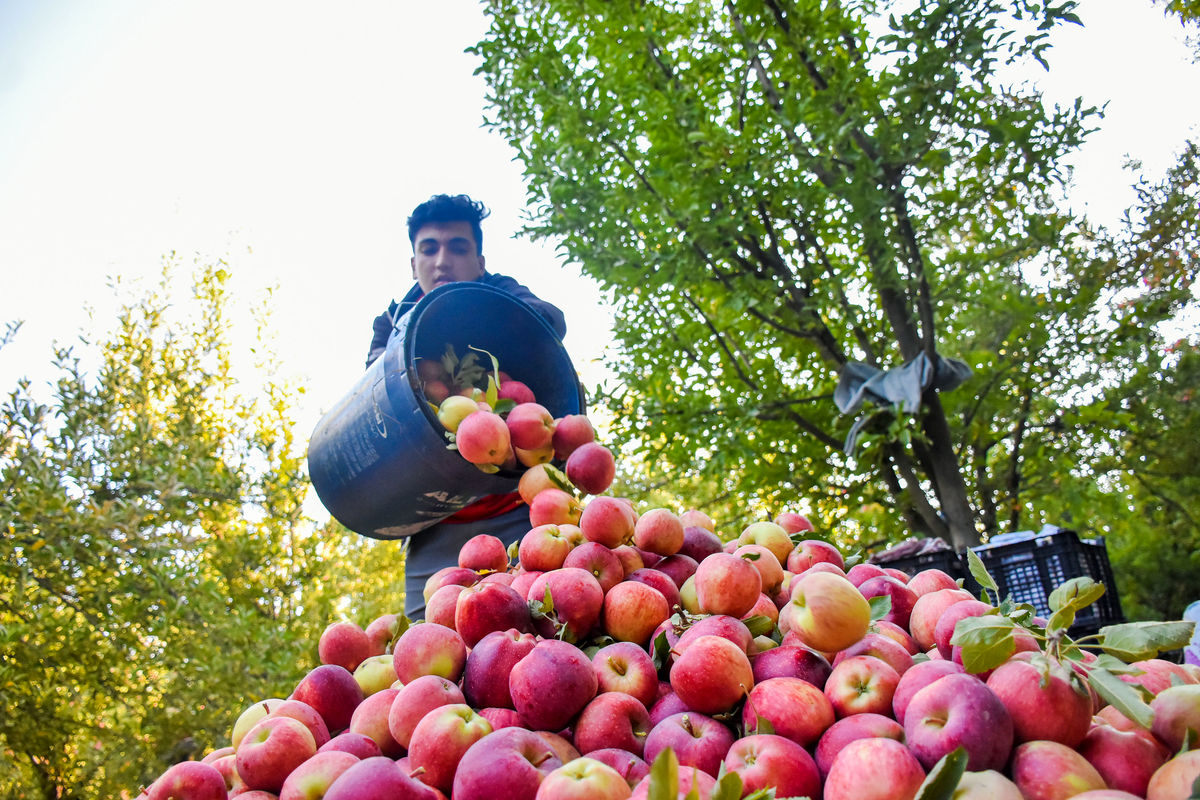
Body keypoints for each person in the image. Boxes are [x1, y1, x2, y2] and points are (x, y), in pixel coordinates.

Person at [365, 193, 567, 620]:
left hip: (519, 511)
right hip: (435, 524)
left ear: (479, 261)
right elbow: (375, 395)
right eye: (429, 248)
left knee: (536, 635)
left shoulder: (501, 292)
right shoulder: (391, 322)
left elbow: (549, 321)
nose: (442, 261)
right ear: (413, 263)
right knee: (432, 651)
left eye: (458, 247)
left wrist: (473, 312)